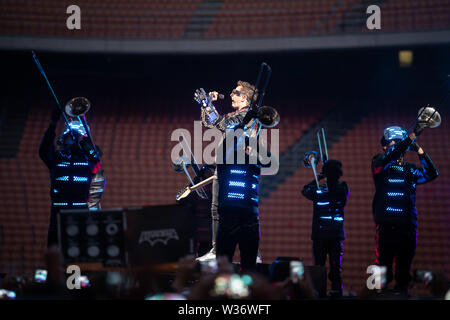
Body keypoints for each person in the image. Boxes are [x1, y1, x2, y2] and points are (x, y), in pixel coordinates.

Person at [196, 81, 278, 270]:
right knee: (220, 209)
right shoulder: (239, 115)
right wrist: (206, 105)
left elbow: (221, 124)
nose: (231, 94)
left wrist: (208, 104)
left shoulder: (246, 116)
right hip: (228, 164)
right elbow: (211, 123)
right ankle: (222, 249)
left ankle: (230, 251)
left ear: (245, 98)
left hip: (237, 166)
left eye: (235, 92)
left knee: (229, 210)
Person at [371, 124, 438, 295]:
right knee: (382, 266)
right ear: (385, 146)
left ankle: (402, 292)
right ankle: (374, 295)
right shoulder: (379, 163)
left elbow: (432, 174)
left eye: (399, 143)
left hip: (408, 225)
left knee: (404, 268)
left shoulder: (411, 169)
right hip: (386, 225)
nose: (397, 146)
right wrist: (411, 136)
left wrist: (419, 149)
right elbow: (388, 157)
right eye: (393, 143)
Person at [39, 107, 105, 248]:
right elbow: (44, 150)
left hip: (80, 211)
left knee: (80, 249)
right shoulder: (57, 158)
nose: (72, 139)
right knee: (55, 247)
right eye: (70, 136)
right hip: (58, 211)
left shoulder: (90, 159)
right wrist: (53, 123)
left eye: (76, 136)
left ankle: (79, 270)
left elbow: (96, 160)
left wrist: (83, 142)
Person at [301, 159, 349, 296]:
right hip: (335, 235)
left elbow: (304, 190)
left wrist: (319, 177)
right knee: (335, 267)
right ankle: (336, 292)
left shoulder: (319, 190)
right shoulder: (343, 188)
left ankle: (319, 293)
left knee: (319, 267)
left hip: (320, 235)